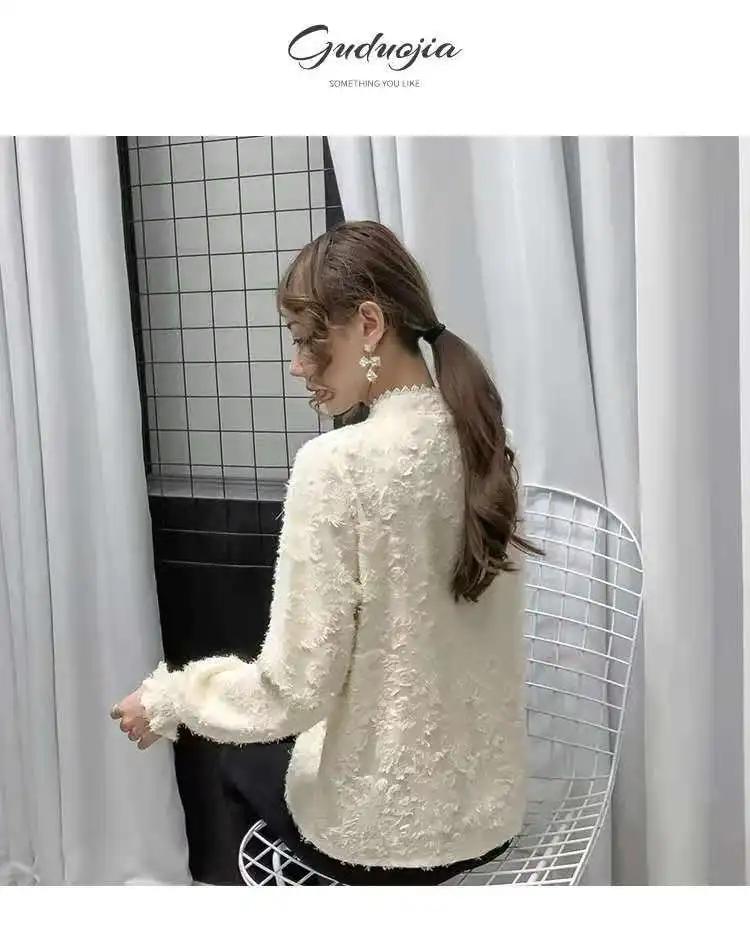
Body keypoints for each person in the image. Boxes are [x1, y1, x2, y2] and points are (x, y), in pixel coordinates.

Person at [111, 220, 540, 886]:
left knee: (237, 759)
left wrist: (171, 699)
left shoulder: (337, 464)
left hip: (385, 841)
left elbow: (292, 692)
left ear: (369, 324)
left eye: (307, 338)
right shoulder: (483, 439)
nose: (297, 364)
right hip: (490, 816)